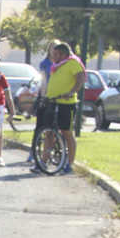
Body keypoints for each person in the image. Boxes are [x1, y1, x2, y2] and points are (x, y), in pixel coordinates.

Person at [42, 42, 85, 175]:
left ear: (63, 55)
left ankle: (69, 164)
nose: (53, 57)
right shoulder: (57, 65)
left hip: (66, 104)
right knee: (49, 132)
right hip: (53, 101)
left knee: (67, 133)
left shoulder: (72, 63)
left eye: (55, 54)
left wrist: (71, 92)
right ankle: (42, 162)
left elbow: (81, 78)